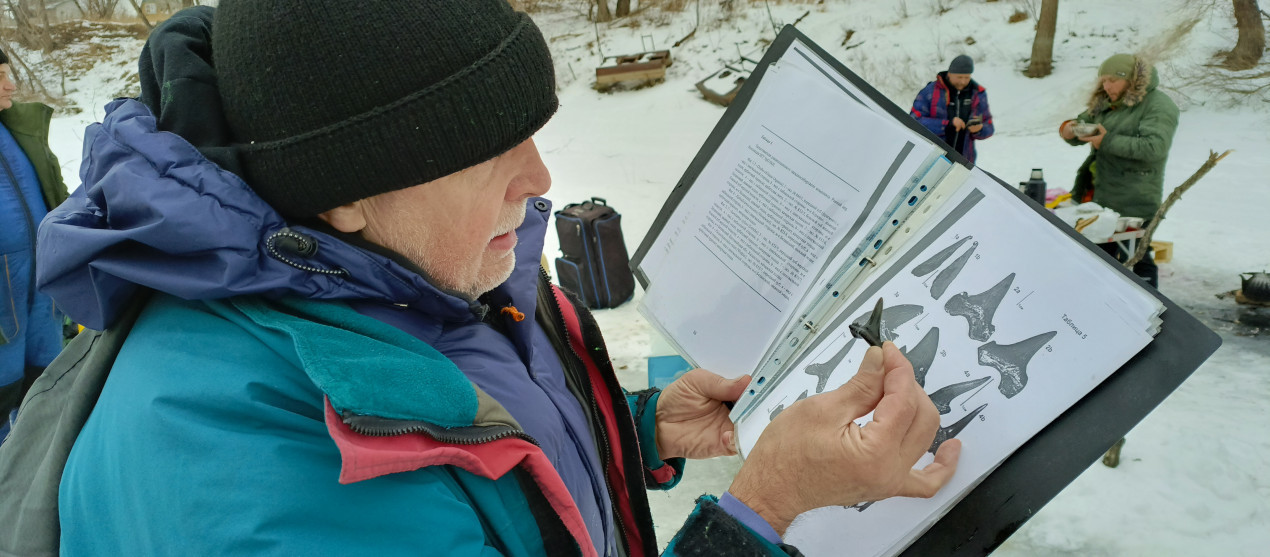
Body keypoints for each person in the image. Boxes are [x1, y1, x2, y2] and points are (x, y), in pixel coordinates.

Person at [31, 2, 959, 555]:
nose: (541, 179)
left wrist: (626, 427)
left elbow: (468, 429)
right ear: (345, 190)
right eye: (486, 148)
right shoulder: (257, 465)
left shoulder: (418, 272)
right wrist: (766, 508)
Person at [1059, 53, 1179, 289]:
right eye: (1103, 81)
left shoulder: (1159, 105)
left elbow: (1154, 147)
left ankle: (1149, 307)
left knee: (1137, 255)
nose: (1106, 86)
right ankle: (1101, 304)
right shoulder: (1108, 102)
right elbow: (1084, 122)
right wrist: (1069, 129)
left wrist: (1107, 141)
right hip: (1099, 195)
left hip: (1134, 198)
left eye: (1112, 80)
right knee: (1099, 254)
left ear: (1129, 79)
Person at [0, 49, 68, 444]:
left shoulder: (20, 129)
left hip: (44, 289)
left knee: (50, 385)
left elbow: (56, 197)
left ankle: (44, 466)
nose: (11, 85)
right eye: (0, 76)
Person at [910, 54, 994, 163]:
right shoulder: (930, 91)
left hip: (964, 161)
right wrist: (947, 124)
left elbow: (989, 126)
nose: (963, 81)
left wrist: (979, 129)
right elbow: (913, 121)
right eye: (959, 77)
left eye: (967, 77)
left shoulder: (978, 94)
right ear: (949, 74)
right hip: (930, 157)